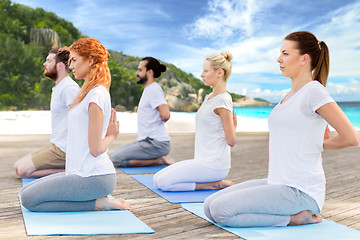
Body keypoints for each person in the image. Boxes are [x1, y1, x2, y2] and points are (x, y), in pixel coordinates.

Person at [204, 31, 359, 227]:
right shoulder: (289, 95)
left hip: (301, 191)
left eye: (285, 53)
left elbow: (351, 137)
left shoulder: (314, 91)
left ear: (304, 59)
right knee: (209, 205)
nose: (279, 59)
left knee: (221, 211)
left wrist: (320, 143)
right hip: (277, 182)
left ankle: (295, 218)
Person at [20, 38, 130, 212]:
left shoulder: (96, 96)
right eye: (70, 61)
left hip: (94, 177)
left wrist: (111, 136)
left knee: (28, 199)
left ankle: (100, 204)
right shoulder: (87, 93)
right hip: (79, 172)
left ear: (91, 60)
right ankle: (97, 200)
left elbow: (95, 149)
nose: (70, 66)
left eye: (74, 60)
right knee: (25, 191)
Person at [153, 51, 237, 191]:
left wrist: (234, 126)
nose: (201, 74)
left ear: (220, 73)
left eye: (205, 71)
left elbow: (231, 141)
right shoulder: (209, 97)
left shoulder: (223, 100)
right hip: (201, 161)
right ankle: (213, 183)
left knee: (163, 183)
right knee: (156, 179)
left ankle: (213, 184)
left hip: (214, 166)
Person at [14, 47, 80, 178]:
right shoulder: (60, 86)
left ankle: (74, 170)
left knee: (23, 170)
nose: (44, 64)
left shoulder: (69, 88)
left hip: (65, 150)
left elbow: (81, 119)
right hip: (57, 146)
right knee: (17, 166)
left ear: (60, 65)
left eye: (48, 61)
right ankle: (71, 168)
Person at [110, 57, 174, 167]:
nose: (137, 73)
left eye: (140, 70)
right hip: (147, 142)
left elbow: (165, 115)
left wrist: (153, 128)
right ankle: (157, 159)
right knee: (113, 156)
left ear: (149, 72)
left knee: (114, 159)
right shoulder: (149, 89)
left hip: (155, 144)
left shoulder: (154, 89)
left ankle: (159, 161)